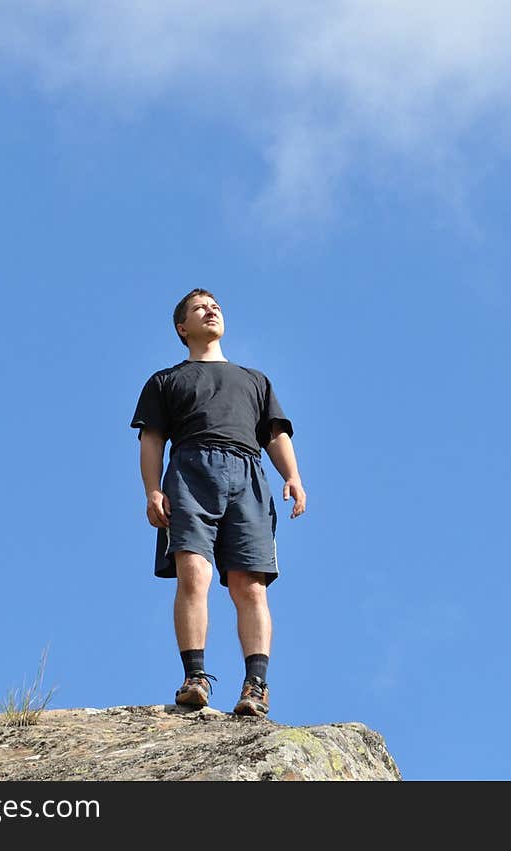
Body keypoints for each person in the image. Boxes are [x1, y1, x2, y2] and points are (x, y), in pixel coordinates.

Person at [130, 288, 307, 719]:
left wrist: (293, 477)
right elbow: (151, 439)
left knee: (251, 586)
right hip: (190, 471)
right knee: (193, 574)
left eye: (215, 306)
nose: (210, 310)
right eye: (198, 308)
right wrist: (152, 490)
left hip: (248, 475)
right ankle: (195, 677)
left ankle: (256, 686)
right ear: (182, 328)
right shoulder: (165, 381)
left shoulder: (255, 380)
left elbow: (274, 435)